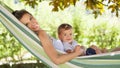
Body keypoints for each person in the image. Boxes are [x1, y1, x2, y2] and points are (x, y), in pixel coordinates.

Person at [12, 9, 84, 64]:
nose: (33, 23)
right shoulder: (41, 34)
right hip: (71, 58)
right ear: (25, 28)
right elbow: (57, 60)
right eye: (27, 24)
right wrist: (77, 52)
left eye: (31, 18)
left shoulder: (40, 34)